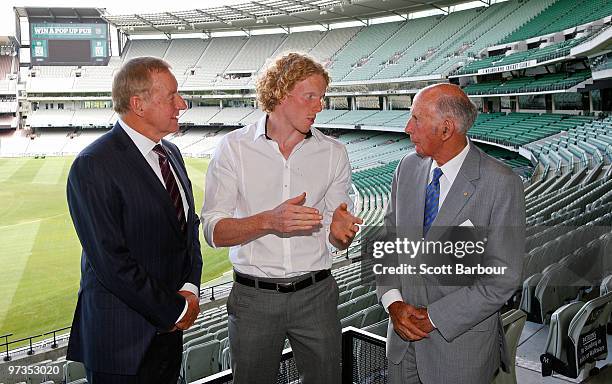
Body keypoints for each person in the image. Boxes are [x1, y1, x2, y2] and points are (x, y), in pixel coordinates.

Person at [201, 52, 362, 384]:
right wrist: (267, 221)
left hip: (317, 295)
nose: (319, 106)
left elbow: (337, 231)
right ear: (280, 92)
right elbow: (213, 230)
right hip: (253, 299)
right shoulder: (233, 148)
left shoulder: (333, 153)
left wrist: (341, 232)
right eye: (310, 97)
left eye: (321, 97)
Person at [375, 83, 525, 384]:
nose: (407, 128)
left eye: (416, 119)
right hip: (402, 348)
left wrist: (433, 318)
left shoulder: (501, 184)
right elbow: (388, 239)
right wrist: (392, 301)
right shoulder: (406, 168)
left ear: (446, 129)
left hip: (459, 354)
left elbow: (503, 279)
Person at [66, 57, 203, 384]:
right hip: (121, 342)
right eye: (171, 96)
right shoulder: (93, 164)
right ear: (138, 104)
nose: (182, 104)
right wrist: (175, 310)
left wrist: (189, 288)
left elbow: (189, 230)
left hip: (170, 335)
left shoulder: (171, 153)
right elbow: (112, 263)